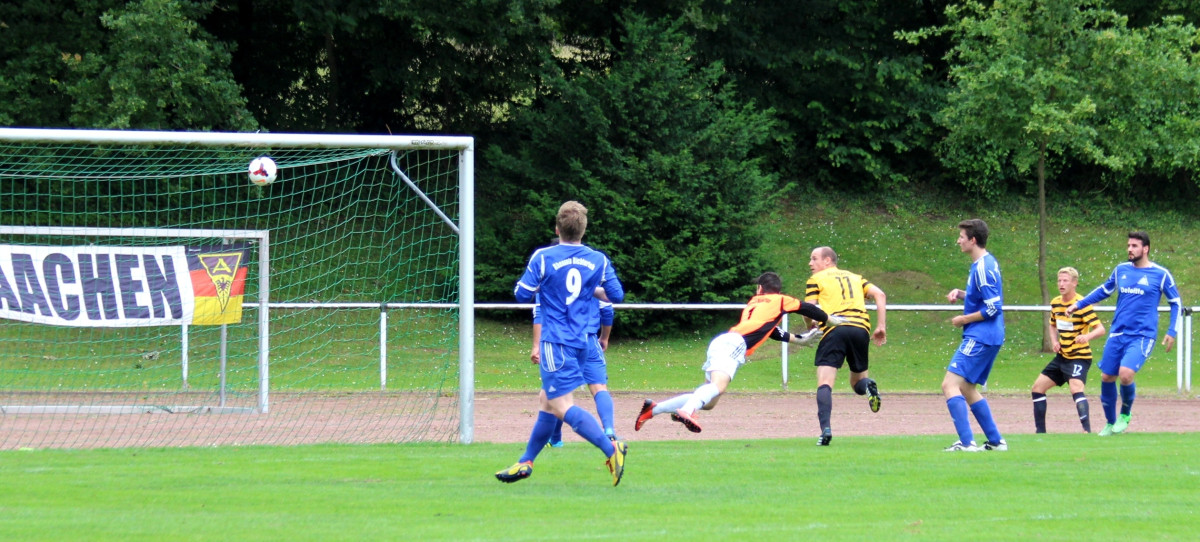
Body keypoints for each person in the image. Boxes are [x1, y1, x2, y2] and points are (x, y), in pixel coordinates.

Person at [495, 201, 627, 485]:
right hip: (582, 341)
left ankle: (611, 449)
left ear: (557, 229)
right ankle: (526, 461)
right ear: (583, 230)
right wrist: (591, 289)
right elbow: (616, 295)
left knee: (561, 405)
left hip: (556, 342)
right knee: (546, 400)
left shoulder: (544, 257)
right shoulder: (598, 259)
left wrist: (545, 285)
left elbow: (521, 294)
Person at [633, 271, 842, 434]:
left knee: (710, 401)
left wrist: (797, 339)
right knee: (717, 386)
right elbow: (807, 308)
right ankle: (687, 411)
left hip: (724, 342)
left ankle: (653, 409)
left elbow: (770, 330)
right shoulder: (779, 300)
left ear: (760, 288)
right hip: (734, 345)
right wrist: (830, 319)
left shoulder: (754, 302)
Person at [1065, 231, 1181, 436]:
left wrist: (1172, 331)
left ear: (1145, 249)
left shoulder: (1160, 274)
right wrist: (1079, 304)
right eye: (1128, 245)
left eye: (1134, 246)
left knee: (1125, 374)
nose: (1130, 249)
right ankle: (1110, 423)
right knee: (1107, 376)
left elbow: (1176, 303)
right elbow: (1104, 290)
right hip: (1118, 333)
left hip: (1143, 335)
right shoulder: (1121, 270)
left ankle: (1125, 414)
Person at [803, 247, 887, 446]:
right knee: (858, 383)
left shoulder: (816, 279)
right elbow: (880, 294)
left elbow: (808, 310)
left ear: (827, 260)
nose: (810, 263)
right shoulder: (856, 277)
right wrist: (881, 326)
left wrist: (810, 326)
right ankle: (869, 385)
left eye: (814, 259)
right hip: (860, 330)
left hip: (835, 329)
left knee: (825, 382)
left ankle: (825, 430)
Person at [942, 219, 1007, 452]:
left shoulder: (983, 268)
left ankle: (967, 442)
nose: (958, 241)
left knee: (950, 384)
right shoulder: (985, 263)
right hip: (990, 336)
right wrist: (961, 294)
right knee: (967, 388)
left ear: (973, 240)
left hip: (981, 336)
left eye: (961, 237)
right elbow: (982, 297)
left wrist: (964, 319)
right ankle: (996, 441)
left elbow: (993, 308)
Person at [1032, 267, 1105, 433]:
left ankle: (1086, 431)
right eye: (1059, 280)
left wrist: (1087, 337)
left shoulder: (1082, 304)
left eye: (1065, 281)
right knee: (1037, 388)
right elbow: (1052, 325)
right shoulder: (1056, 303)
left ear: (1074, 283)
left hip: (1079, 356)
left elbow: (1100, 329)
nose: (1061, 284)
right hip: (1062, 357)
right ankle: (1040, 433)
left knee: (1076, 388)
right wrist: (1054, 341)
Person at [539, 297, 617, 447]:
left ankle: (555, 439)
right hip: (589, 339)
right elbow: (607, 309)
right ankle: (609, 431)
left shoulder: (554, 282)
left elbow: (540, 311)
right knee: (599, 387)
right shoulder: (594, 282)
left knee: (560, 392)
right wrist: (604, 337)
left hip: (564, 340)